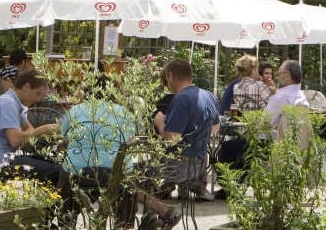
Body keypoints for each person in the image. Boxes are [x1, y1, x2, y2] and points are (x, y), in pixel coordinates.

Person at [61, 75, 180, 229]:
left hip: (77, 172)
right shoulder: (123, 112)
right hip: (114, 170)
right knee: (125, 182)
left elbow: (64, 136)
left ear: (88, 91)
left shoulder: (76, 110)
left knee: (64, 179)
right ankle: (126, 224)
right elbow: (129, 141)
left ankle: (65, 221)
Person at [152, 59, 220, 200]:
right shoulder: (208, 95)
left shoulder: (181, 99)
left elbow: (172, 138)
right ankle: (195, 188)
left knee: (134, 173)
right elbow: (215, 128)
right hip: (199, 166)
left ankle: (159, 207)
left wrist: (159, 123)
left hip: (179, 168)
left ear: (170, 76)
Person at [0, 68, 62, 184]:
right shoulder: (8, 103)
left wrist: (43, 135)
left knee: (53, 164)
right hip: (0, 165)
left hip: (8, 159)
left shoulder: (14, 102)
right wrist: (43, 130)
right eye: (37, 94)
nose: (38, 99)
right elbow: (15, 140)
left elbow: (29, 131)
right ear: (26, 86)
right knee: (57, 171)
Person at [265, 60, 310, 137]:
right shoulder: (302, 97)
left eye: (279, 73)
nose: (276, 76)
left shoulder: (279, 96)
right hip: (299, 144)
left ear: (287, 76)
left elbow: (265, 125)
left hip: (276, 144)